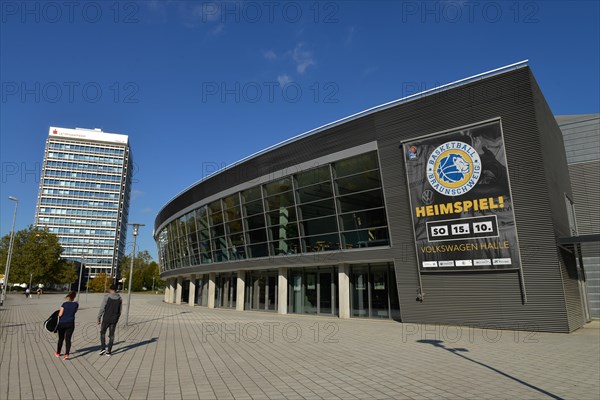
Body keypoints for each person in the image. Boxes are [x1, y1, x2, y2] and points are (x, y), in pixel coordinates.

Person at [97, 284, 122, 356]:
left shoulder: (107, 297)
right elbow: (120, 311)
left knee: (102, 333)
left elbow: (102, 308)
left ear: (110, 289)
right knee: (111, 335)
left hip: (106, 319)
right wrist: (117, 318)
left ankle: (103, 348)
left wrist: (98, 318)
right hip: (114, 319)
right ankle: (109, 351)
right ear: (116, 290)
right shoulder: (119, 298)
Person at [56, 291, 79, 360]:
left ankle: (58, 353)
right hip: (70, 323)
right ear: (74, 297)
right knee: (68, 339)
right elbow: (74, 311)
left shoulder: (64, 304)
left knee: (60, 339)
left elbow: (60, 314)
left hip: (62, 323)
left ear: (68, 296)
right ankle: (66, 355)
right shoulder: (76, 304)